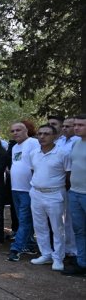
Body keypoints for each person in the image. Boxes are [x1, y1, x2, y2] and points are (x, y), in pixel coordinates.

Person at [29, 124, 72, 272]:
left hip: (55, 194)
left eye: (46, 134)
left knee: (57, 227)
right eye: (39, 134)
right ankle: (45, 254)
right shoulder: (34, 153)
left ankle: (58, 258)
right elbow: (33, 171)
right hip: (36, 193)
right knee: (39, 226)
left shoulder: (63, 153)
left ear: (54, 136)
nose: (42, 136)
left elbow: (68, 175)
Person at [6, 121, 41, 262]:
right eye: (13, 131)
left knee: (25, 219)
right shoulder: (15, 147)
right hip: (16, 188)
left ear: (26, 130)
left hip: (28, 189)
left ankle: (16, 248)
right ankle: (30, 245)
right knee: (22, 219)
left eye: (18, 130)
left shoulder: (33, 143)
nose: (15, 133)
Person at [64, 114, 86, 276]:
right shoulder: (76, 143)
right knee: (79, 230)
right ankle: (82, 263)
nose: (77, 127)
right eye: (76, 124)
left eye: (81, 125)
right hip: (75, 192)